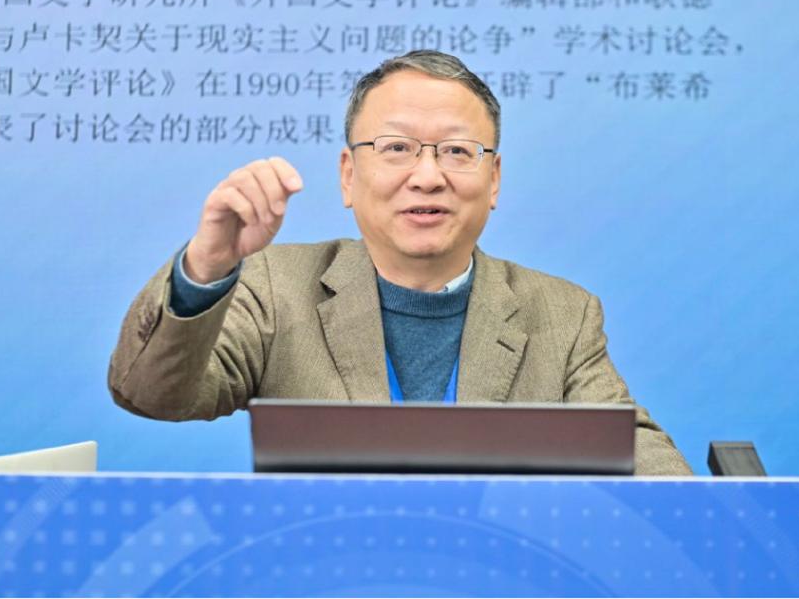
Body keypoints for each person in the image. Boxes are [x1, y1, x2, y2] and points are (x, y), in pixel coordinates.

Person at [108, 50, 691, 476]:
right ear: (348, 175)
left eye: (457, 151)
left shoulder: (561, 313)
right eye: (396, 148)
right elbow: (151, 393)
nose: (427, 176)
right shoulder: (275, 288)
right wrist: (208, 264)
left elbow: (645, 467)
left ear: (493, 179)